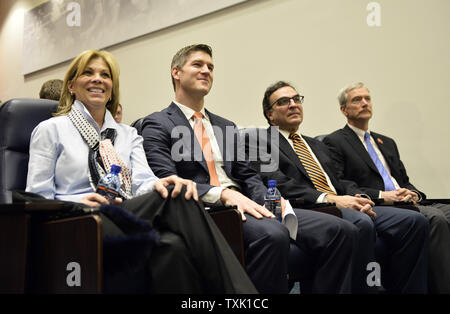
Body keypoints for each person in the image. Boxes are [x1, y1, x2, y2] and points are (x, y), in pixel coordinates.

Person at [26, 49, 256, 294]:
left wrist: (164, 183)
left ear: (112, 87)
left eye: (105, 75)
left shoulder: (128, 134)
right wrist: (77, 200)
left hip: (125, 211)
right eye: (88, 73)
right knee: (174, 226)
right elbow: (36, 195)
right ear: (71, 85)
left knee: (174, 209)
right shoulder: (50, 129)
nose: (98, 79)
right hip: (77, 218)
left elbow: (144, 182)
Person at [140, 44, 360, 293]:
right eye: (198, 64)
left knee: (342, 231)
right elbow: (166, 178)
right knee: (273, 234)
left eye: (211, 67)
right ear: (176, 72)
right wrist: (222, 194)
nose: (206, 71)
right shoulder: (157, 123)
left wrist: (267, 202)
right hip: (205, 210)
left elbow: (248, 174)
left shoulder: (225, 125)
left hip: (248, 205)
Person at [258, 81, 429, 293]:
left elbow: (340, 182)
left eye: (297, 99)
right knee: (361, 223)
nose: (293, 105)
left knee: (414, 221)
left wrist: (359, 197)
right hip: (311, 208)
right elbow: (280, 184)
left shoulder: (316, 144)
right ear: (270, 114)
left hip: (342, 202)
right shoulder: (260, 142)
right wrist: (333, 199)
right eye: (284, 102)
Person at [323, 82, 450, 293]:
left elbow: (404, 180)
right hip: (378, 205)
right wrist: (383, 195)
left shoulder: (386, 142)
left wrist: (413, 194)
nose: (364, 103)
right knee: (435, 218)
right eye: (357, 100)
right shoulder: (335, 141)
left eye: (367, 98)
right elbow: (342, 184)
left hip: (407, 201)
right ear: (344, 110)